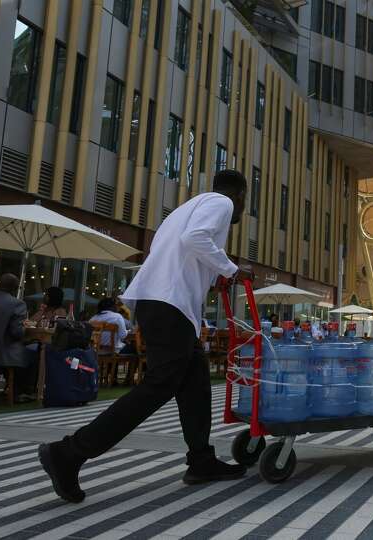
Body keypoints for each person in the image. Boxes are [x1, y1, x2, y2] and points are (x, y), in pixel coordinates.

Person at [38, 169, 249, 504]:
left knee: (195, 380)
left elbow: (182, 251)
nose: (241, 210)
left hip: (160, 302)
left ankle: (201, 460)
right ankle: (69, 452)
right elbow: (195, 238)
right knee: (159, 386)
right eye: (244, 203)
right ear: (240, 195)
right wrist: (231, 269)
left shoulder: (185, 207)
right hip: (169, 304)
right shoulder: (221, 202)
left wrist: (214, 276)